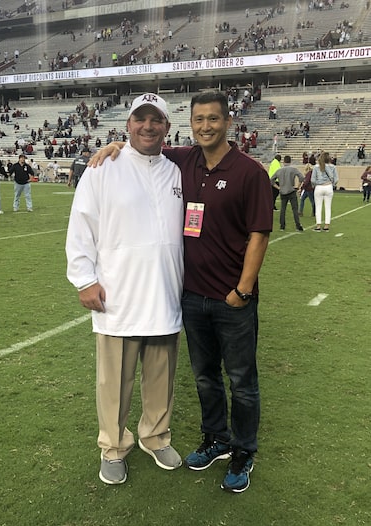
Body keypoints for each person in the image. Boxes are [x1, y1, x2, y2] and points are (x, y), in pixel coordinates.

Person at [90, 91, 273, 493]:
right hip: (190, 297)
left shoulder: (249, 171)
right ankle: (216, 441)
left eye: (213, 119)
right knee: (205, 378)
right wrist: (116, 145)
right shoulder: (184, 160)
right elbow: (145, 142)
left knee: (242, 380)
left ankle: (242, 453)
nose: (205, 126)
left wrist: (242, 291)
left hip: (232, 299)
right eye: (198, 120)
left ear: (228, 121)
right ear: (189, 126)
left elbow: (259, 235)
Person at [65, 93, 184, 486]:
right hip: (116, 294)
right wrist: (84, 279)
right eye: (140, 119)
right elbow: (81, 226)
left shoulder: (177, 170)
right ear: (127, 124)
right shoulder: (103, 168)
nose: (147, 127)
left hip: (165, 293)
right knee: (114, 380)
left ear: (167, 127)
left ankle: (155, 436)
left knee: (161, 377)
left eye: (156, 120)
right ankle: (113, 446)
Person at [271, 155, 304, 232]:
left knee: (283, 209)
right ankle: (298, 225)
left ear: (283, 161)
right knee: (295, 209)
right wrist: (298, 186)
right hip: (291, 190)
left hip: (283, 191)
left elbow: (271, 180)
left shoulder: (279, 170)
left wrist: (278, 187)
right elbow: (301, 177)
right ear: (290, 161)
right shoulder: (293, 169)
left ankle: (282, 226)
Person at [311, 151, 339, 231]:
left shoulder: (316, 167)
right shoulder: (333, 167)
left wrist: (317, 183)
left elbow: (312, 180)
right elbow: (336, 179)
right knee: (328, 207)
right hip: (328, 187)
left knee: (318, 207)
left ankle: (318, 225)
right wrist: (332, 183)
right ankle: (326, 225)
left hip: (319, 187)